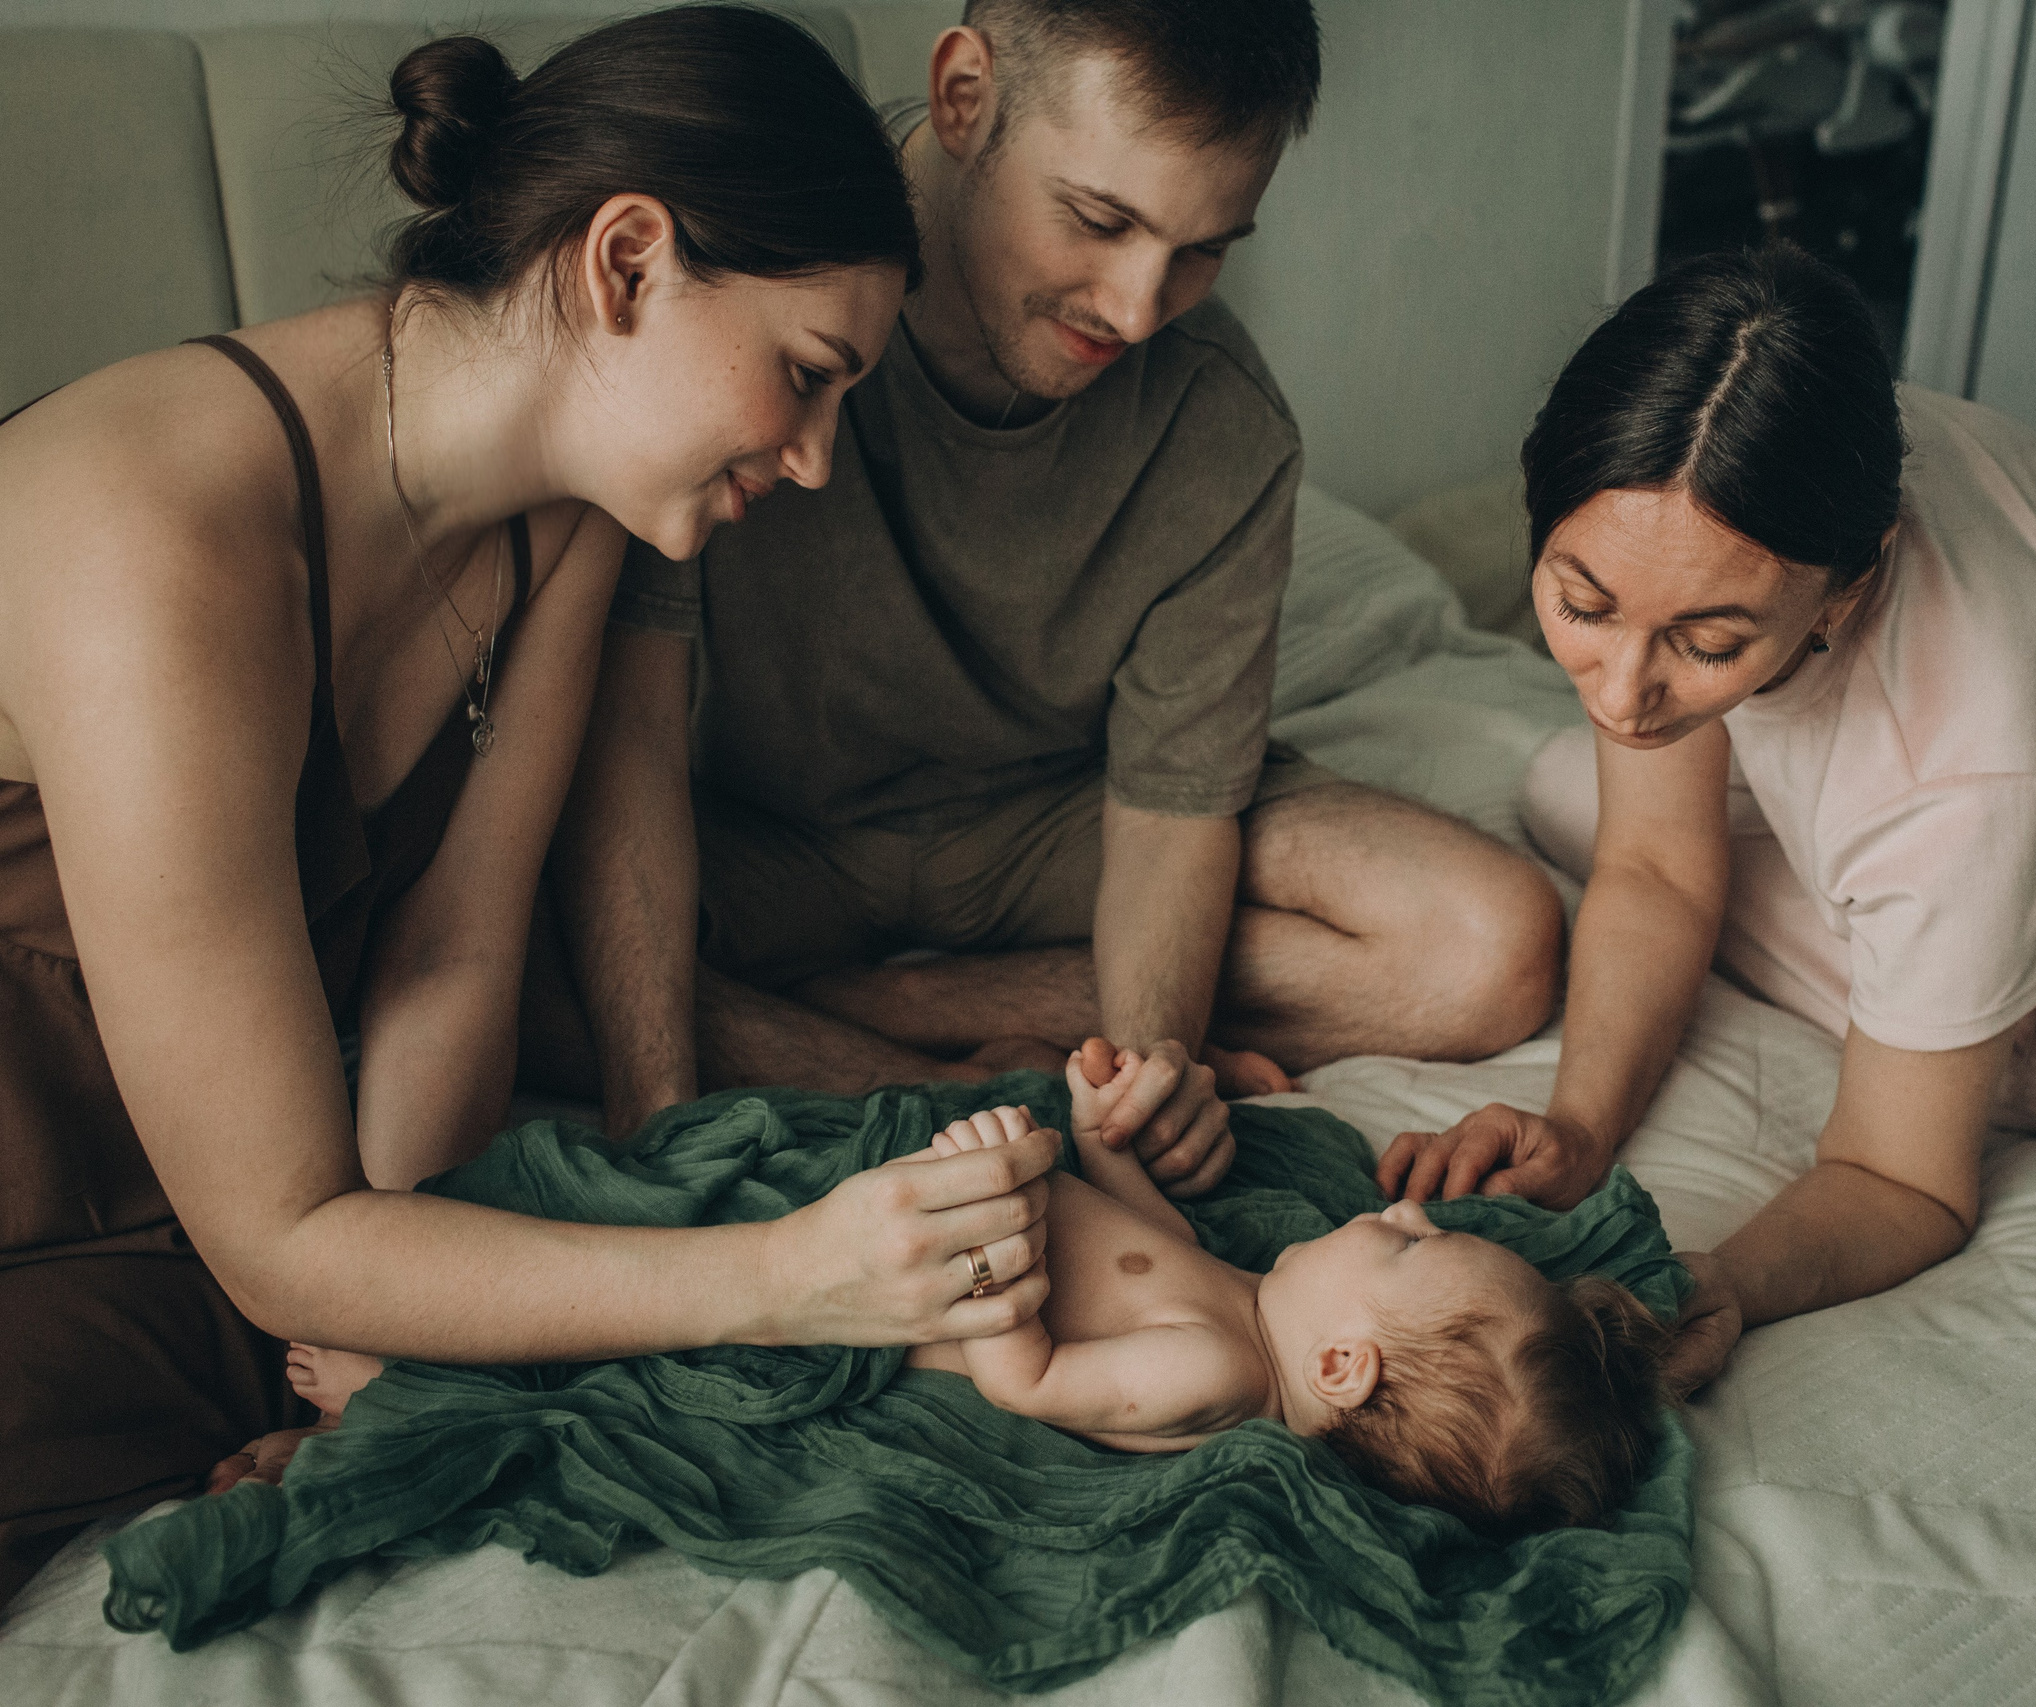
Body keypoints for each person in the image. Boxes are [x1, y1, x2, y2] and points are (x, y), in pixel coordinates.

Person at [0, 7, 1055, 1602]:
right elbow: (278, 1228)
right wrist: (784, 1275)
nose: (819, 461)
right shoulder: (155, 534)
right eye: (805, 375)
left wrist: (379, 1346)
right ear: (626, 261)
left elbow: (453, 958)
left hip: (247, 1197)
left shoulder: (567, 523)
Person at [525, 0, 1565, 1198]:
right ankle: (919, 1073)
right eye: (1100, 220)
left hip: (1056, 823)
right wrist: (660, 1122)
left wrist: (1148, 1067)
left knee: (1487, 948)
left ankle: (887, 1006)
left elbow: (1170, 814)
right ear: (963, 97)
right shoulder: (751, 289)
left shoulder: (1219, 422)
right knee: (495, 952)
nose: (1135, 309)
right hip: (764, 839)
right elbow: (631, 739)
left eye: (1202, 250)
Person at [1378, 246, 2036, 1393]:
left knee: (1615, 807)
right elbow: (1657, 866)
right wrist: (1576, 1129)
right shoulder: (1780, 434)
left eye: (1706, 643)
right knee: (1566, 787)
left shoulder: (1967, 769)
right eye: (1582, 605)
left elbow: (1900, 1179)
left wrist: (1726, 1280)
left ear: (1848, 589)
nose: (1620, 692)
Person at [301, 1051, 1673, 1540]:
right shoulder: (1251, 1301)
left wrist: (996, 1243)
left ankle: (406, 1372)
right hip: (914, 1209)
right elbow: (1148, 1233)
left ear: (1343, 1370)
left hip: (890, 1296)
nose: (1408, 1208)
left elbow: (1031, 1380)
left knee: (639, 1360)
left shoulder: (1210, 1374)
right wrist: (1102, 1139)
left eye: (1411, 1249)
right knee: (645, 1202)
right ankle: (422, 1283)